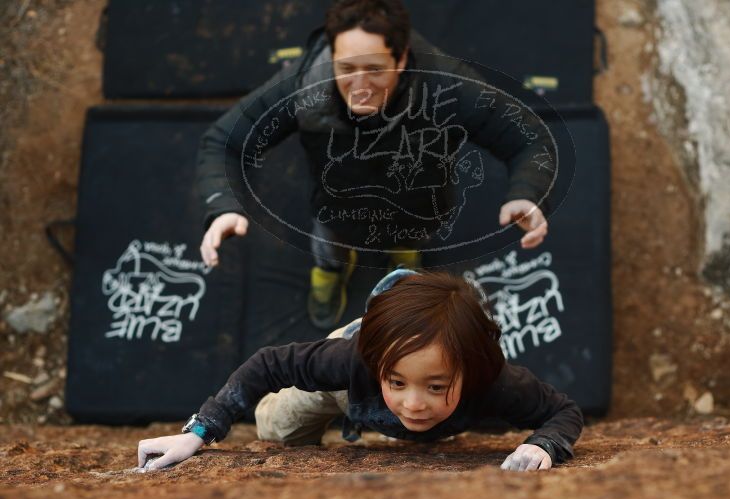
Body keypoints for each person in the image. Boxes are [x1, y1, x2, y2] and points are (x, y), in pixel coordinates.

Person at [197, 0, 556, 329]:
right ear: (331, 56)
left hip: (417, 208)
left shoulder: (447, 85)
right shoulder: (304, 87)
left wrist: (526, 192)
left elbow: (530, 139)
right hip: (337, 208)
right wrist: (223, 205)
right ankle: (331, 273)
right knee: (328, 251)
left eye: (374, 69)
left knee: (408, 247)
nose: (360, 87)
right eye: (347, 69)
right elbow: (223, 141)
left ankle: (402, 264)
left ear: (401, 59)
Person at [136, 270, 583, 472]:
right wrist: (197, 432)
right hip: (349, 387)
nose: (414, 403)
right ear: (379, 368)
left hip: (378, 379)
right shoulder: (347, 361)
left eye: (435, 386)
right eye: (399, 383)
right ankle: (348, 410)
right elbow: (267, 364)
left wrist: (544, 445)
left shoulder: (495, 381)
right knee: (276, 429)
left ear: (470, 373)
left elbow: (563, 412)